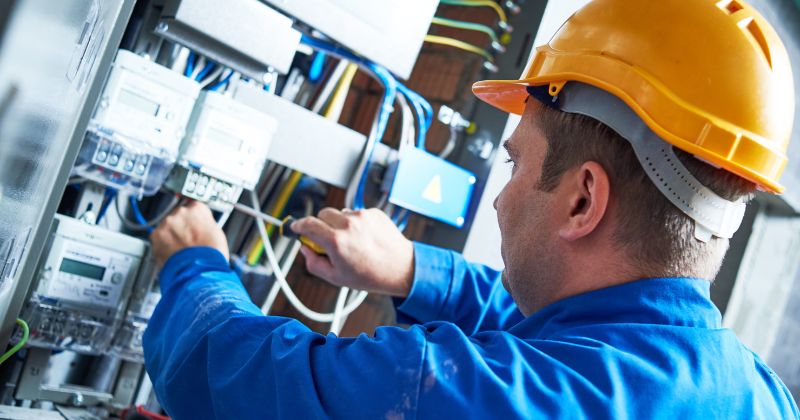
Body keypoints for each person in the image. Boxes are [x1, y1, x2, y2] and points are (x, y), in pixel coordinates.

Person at [143, 0, 800, 418]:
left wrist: (196, 265)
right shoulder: (760, 398)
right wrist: (410, 270)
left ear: (582, 199)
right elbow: (576, 340)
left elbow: (230, 380)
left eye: (514, 163)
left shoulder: (475, 399)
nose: (500, 195)